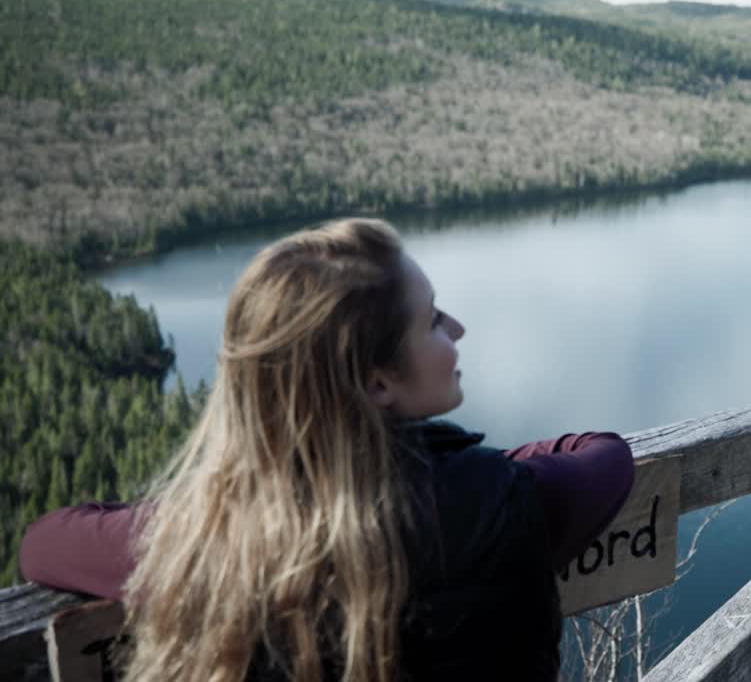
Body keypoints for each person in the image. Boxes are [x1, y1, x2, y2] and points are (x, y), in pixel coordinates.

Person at [19, 218, 636, 681]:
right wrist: (494, 470)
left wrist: (196, 510)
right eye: (432, 320)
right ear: (375, 381)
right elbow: (607, 459)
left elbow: (43, 544)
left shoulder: (207, 536)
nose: (457, 329)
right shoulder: (495, 500)